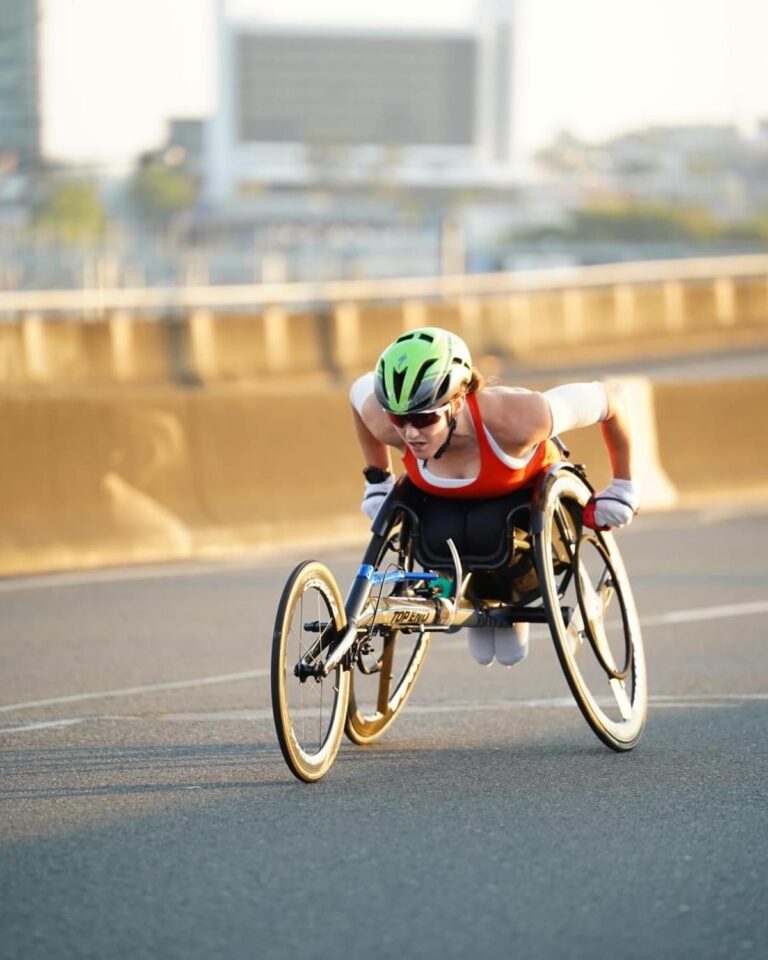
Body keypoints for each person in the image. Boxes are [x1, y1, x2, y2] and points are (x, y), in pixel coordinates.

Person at [349, 326, 639, 669]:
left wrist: (623, 487)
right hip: (448, 522)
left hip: (520, 513)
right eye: (399, 418)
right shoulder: (387, 423)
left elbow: (612, 399)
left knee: (488, 528)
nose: (410, 432)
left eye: (424, 418)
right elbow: (357, 391)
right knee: (438, 528)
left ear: (456, 400)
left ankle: (505, 597)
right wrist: (377, 479)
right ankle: (468, 594)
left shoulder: (519, 417)